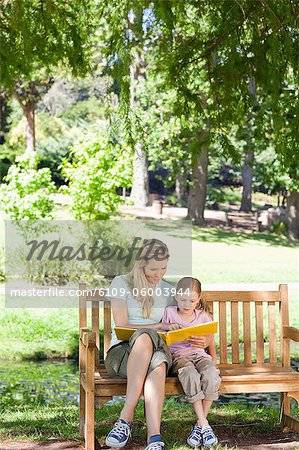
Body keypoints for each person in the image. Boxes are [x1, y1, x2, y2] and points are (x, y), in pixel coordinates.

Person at [104, 239, 213, 450]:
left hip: (158, 351)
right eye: (153, 269)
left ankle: (153, 438)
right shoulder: (121, 283)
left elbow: (189, 318)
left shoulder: (169, 291)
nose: (159, 274)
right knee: (146, 337)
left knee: (160, 360)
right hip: (123, 354)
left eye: (163, 268)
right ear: (141, 264)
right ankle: (125, 418)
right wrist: (157, 326)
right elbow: (122, 324)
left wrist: (206, 339)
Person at [162, 277, 221, 449]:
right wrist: (168, 329)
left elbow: (210, 340)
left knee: (211, 375)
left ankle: (199, 426)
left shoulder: (203, 316)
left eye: (192, 300)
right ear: (176, 296)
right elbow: (162, 339)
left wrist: (214, 362)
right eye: (183, 300)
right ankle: (204, 425)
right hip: (180, 358)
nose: (187, 304)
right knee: (190, 375)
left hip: (200, 356)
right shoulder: (169, 313)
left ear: (199, 298)